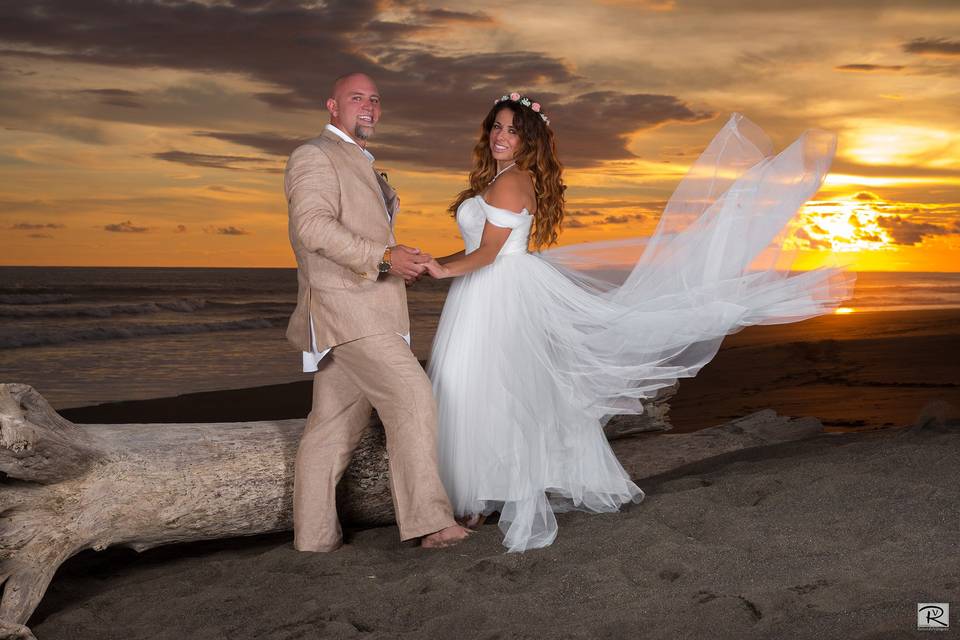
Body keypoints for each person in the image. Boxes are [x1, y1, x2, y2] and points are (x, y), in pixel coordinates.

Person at [423, 93, 854, 552]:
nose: (500, 136)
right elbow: (480, 252)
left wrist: (435, 269)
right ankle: (479, 496)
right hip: (483, 293)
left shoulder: (511, 183)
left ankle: (484, 497)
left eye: (512, 129)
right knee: (489, 390)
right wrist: (435, 265)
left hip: (497, 294)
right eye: (497, 127)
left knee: (488, 390)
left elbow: (488, 253)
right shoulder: (504, 178)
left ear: (528, 140)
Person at [284, 72, 470, 551]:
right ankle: (430, 523)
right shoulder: (314, 155)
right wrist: (385, 257)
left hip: (361, 308)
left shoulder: (359, 161)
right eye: (355, 98)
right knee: (412, 398)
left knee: (332, 430)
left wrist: (396, 257)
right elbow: (312, 228)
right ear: (332, 105)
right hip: (350, 310)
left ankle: (313, 539)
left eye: (374, 99)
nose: (368, 106)